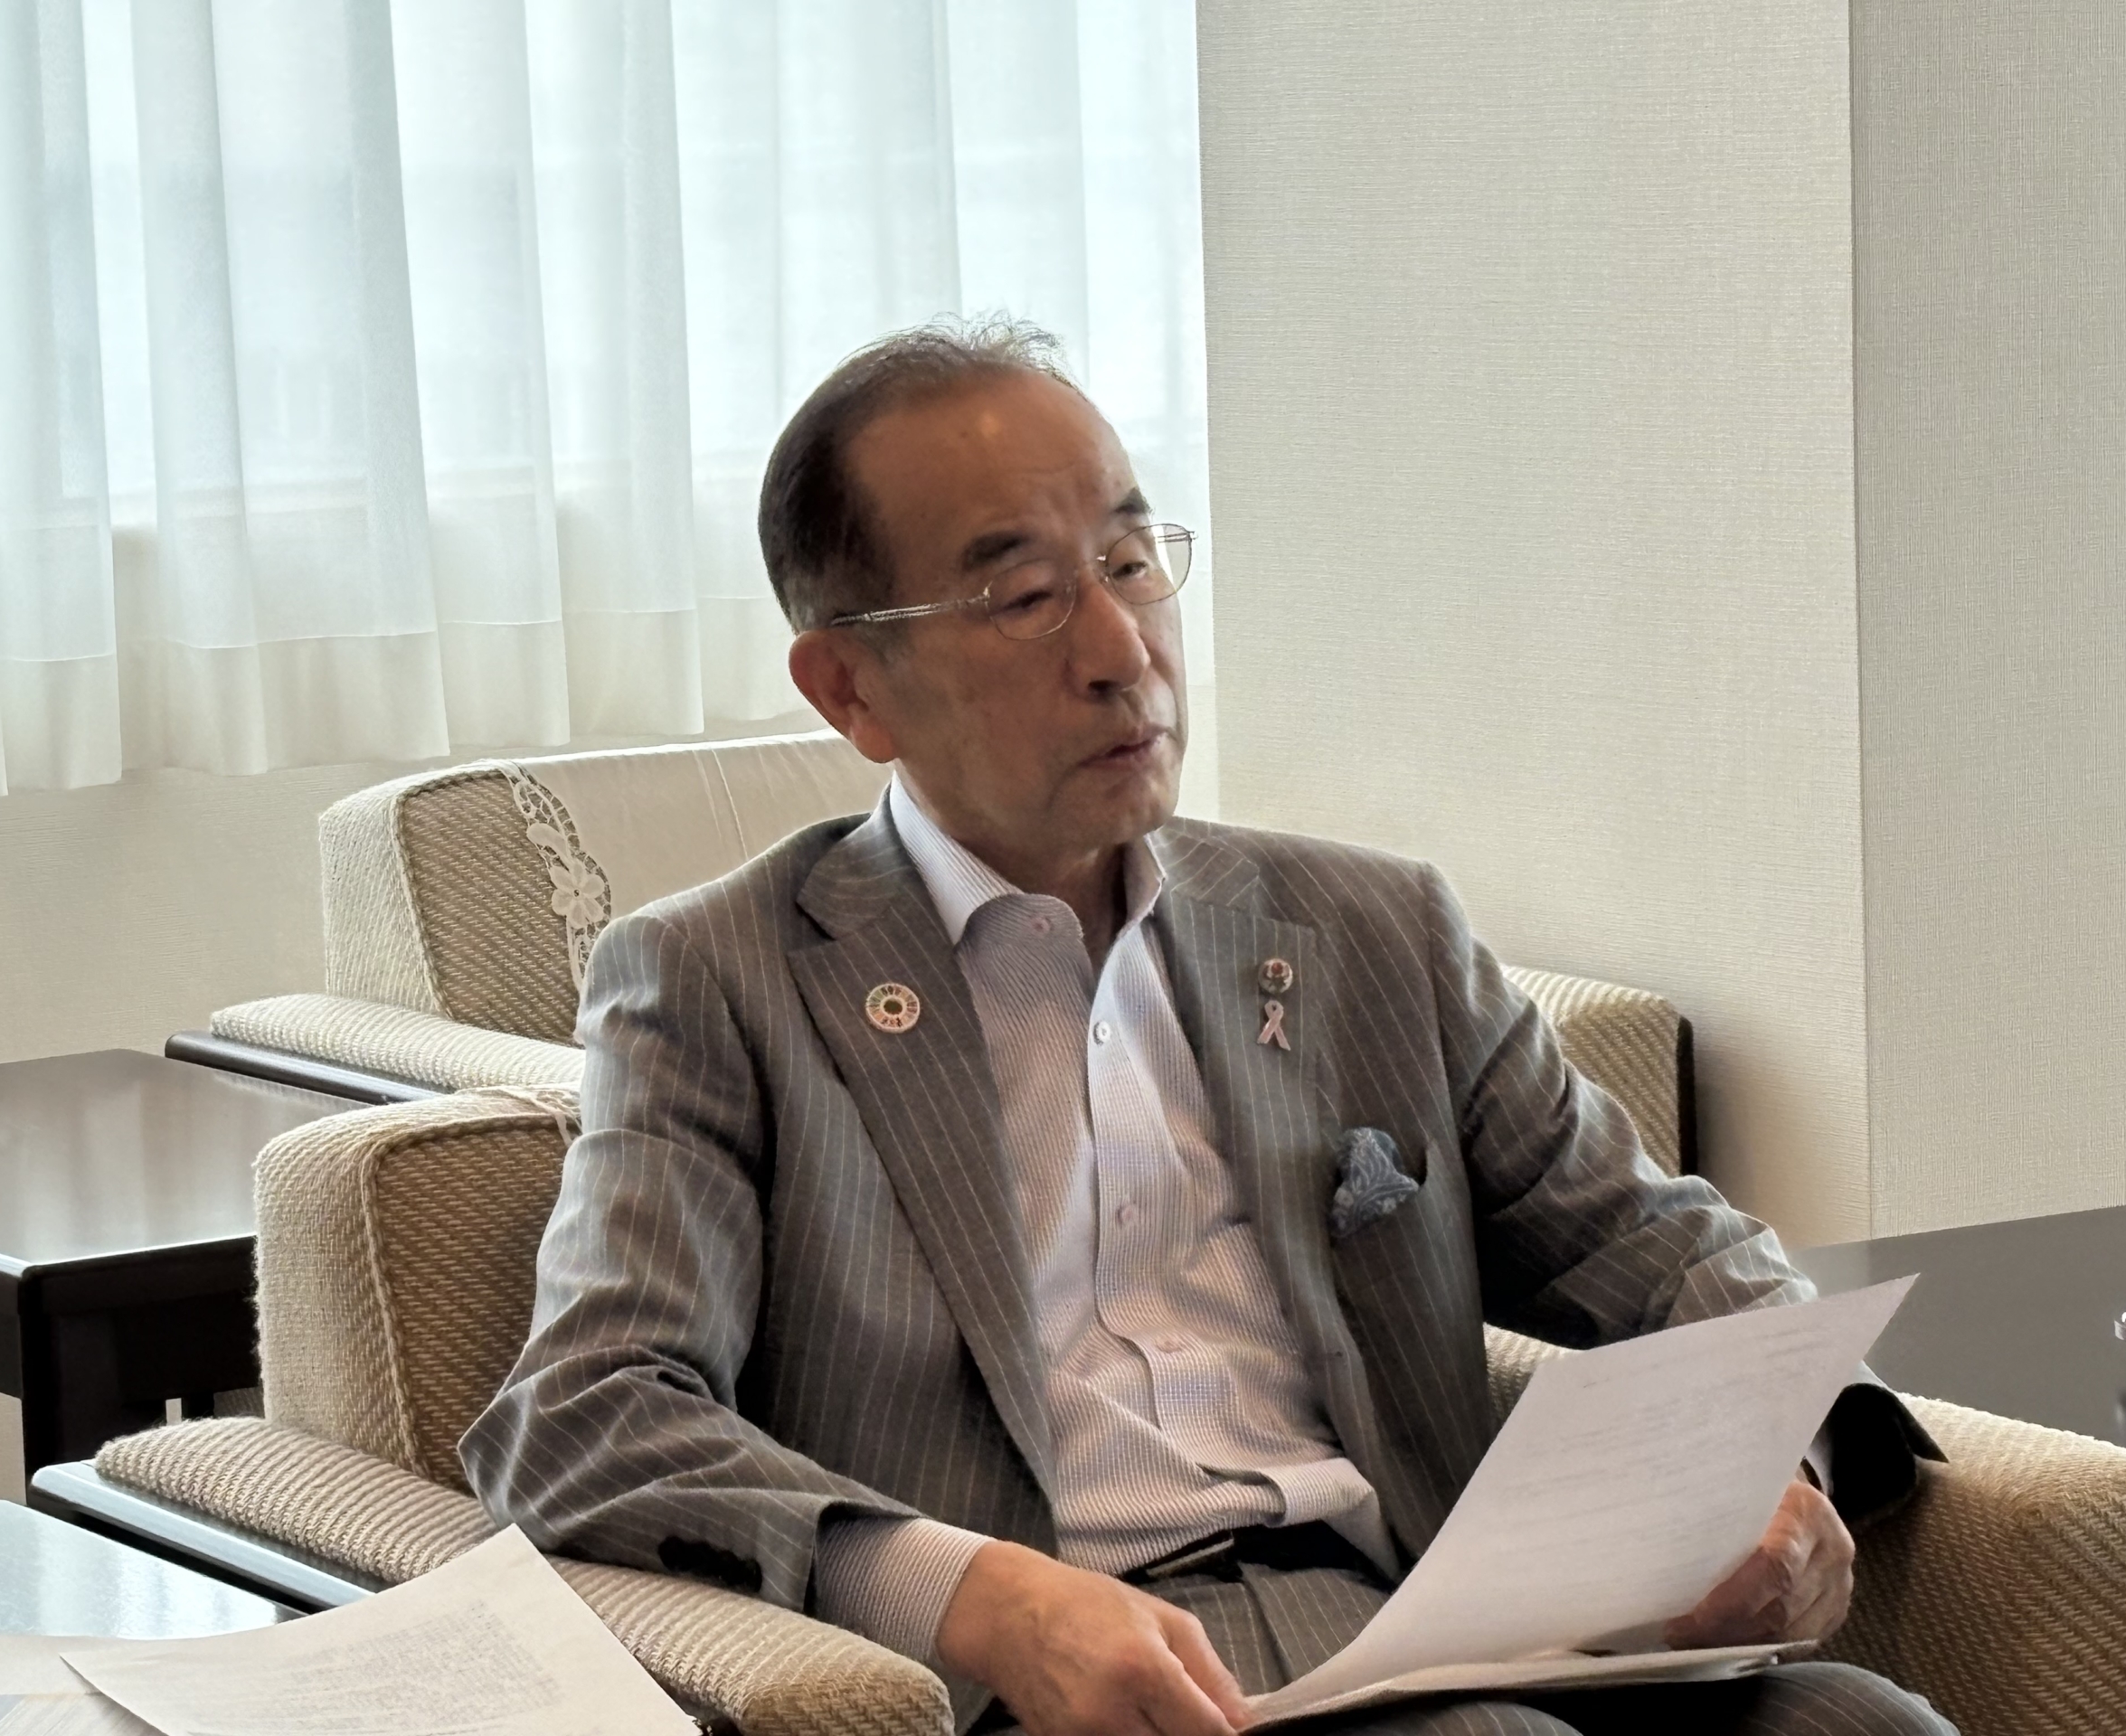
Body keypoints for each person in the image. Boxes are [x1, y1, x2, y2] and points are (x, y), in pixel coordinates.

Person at [460, 318, 1952, 1736]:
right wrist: (974, 1598)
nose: (1121, 647)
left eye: (1128, 561)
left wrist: (1775, 1467)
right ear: (852, 687)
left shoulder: (1373, 929)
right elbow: (585, 1415)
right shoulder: (719, 980)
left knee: (1869, 1723)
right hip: (1090, 1683)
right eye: (1024, 596)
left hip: (1428, 1624)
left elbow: (1667, 1251)